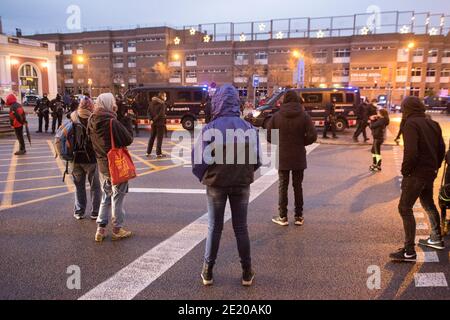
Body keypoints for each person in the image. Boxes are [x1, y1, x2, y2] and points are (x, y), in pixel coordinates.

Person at [192, 84, 261, 287]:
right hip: (241, 183)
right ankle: (247, 272)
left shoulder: (210, 128)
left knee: (214, 227)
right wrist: (244, 172)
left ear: (218, 102)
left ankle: (208, 271)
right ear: (236, 103)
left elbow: (199, 160)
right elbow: (256, 160)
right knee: (241, 228)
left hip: (216, 184)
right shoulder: (248, 127)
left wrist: (205, 175)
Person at [390, 96, 446, 263]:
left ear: (407, 108)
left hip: (416, 174)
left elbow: (411, 152)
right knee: (428, 203)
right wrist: (435, 166)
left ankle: (409, 251)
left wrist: (405, 171)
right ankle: (436, 238)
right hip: (430, 172)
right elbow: (441, 148)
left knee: (405, 208)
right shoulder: (433, 123)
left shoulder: (411, 124)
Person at [88, 93, 134, 242]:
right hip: (116, 166)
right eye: (113, 102)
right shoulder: (112, 122)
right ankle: (117, 229)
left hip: (102, 166)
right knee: (117, 198)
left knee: (105, 197)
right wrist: (126, 119)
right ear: (109, 104)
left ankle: (100, 230)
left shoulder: (91, 120)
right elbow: (128, 138)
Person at [267, 91, 318, 227]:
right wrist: (302, 142)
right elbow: (313, 135)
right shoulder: (304, 116)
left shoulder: (277, 116)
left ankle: (283, 216)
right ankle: (298, 216)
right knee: (298, 186)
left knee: (283, 186)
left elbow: (269, 136)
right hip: (298, 156)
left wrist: (280, 142)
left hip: (283, 155)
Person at [70, 97, 101, 221]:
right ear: (90, 106)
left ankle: (79, 211)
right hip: (91, 158)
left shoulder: (72, 117)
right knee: (95, 187)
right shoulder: (93, 118)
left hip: (75, 158)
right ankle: (95, 212)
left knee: (79, 186)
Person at [146, 92, 167, 158]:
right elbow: (160, 114)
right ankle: (158, 153)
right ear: (162, 96)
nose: (165, 97)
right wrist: (154, 120)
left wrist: (151, 120)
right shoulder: (162, 104)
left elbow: (148, 112)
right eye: (165, 96)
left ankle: (148, 152)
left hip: (153, 123)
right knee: (159, 139)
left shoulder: (152, 102)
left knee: (152, 137)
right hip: (160, 123)